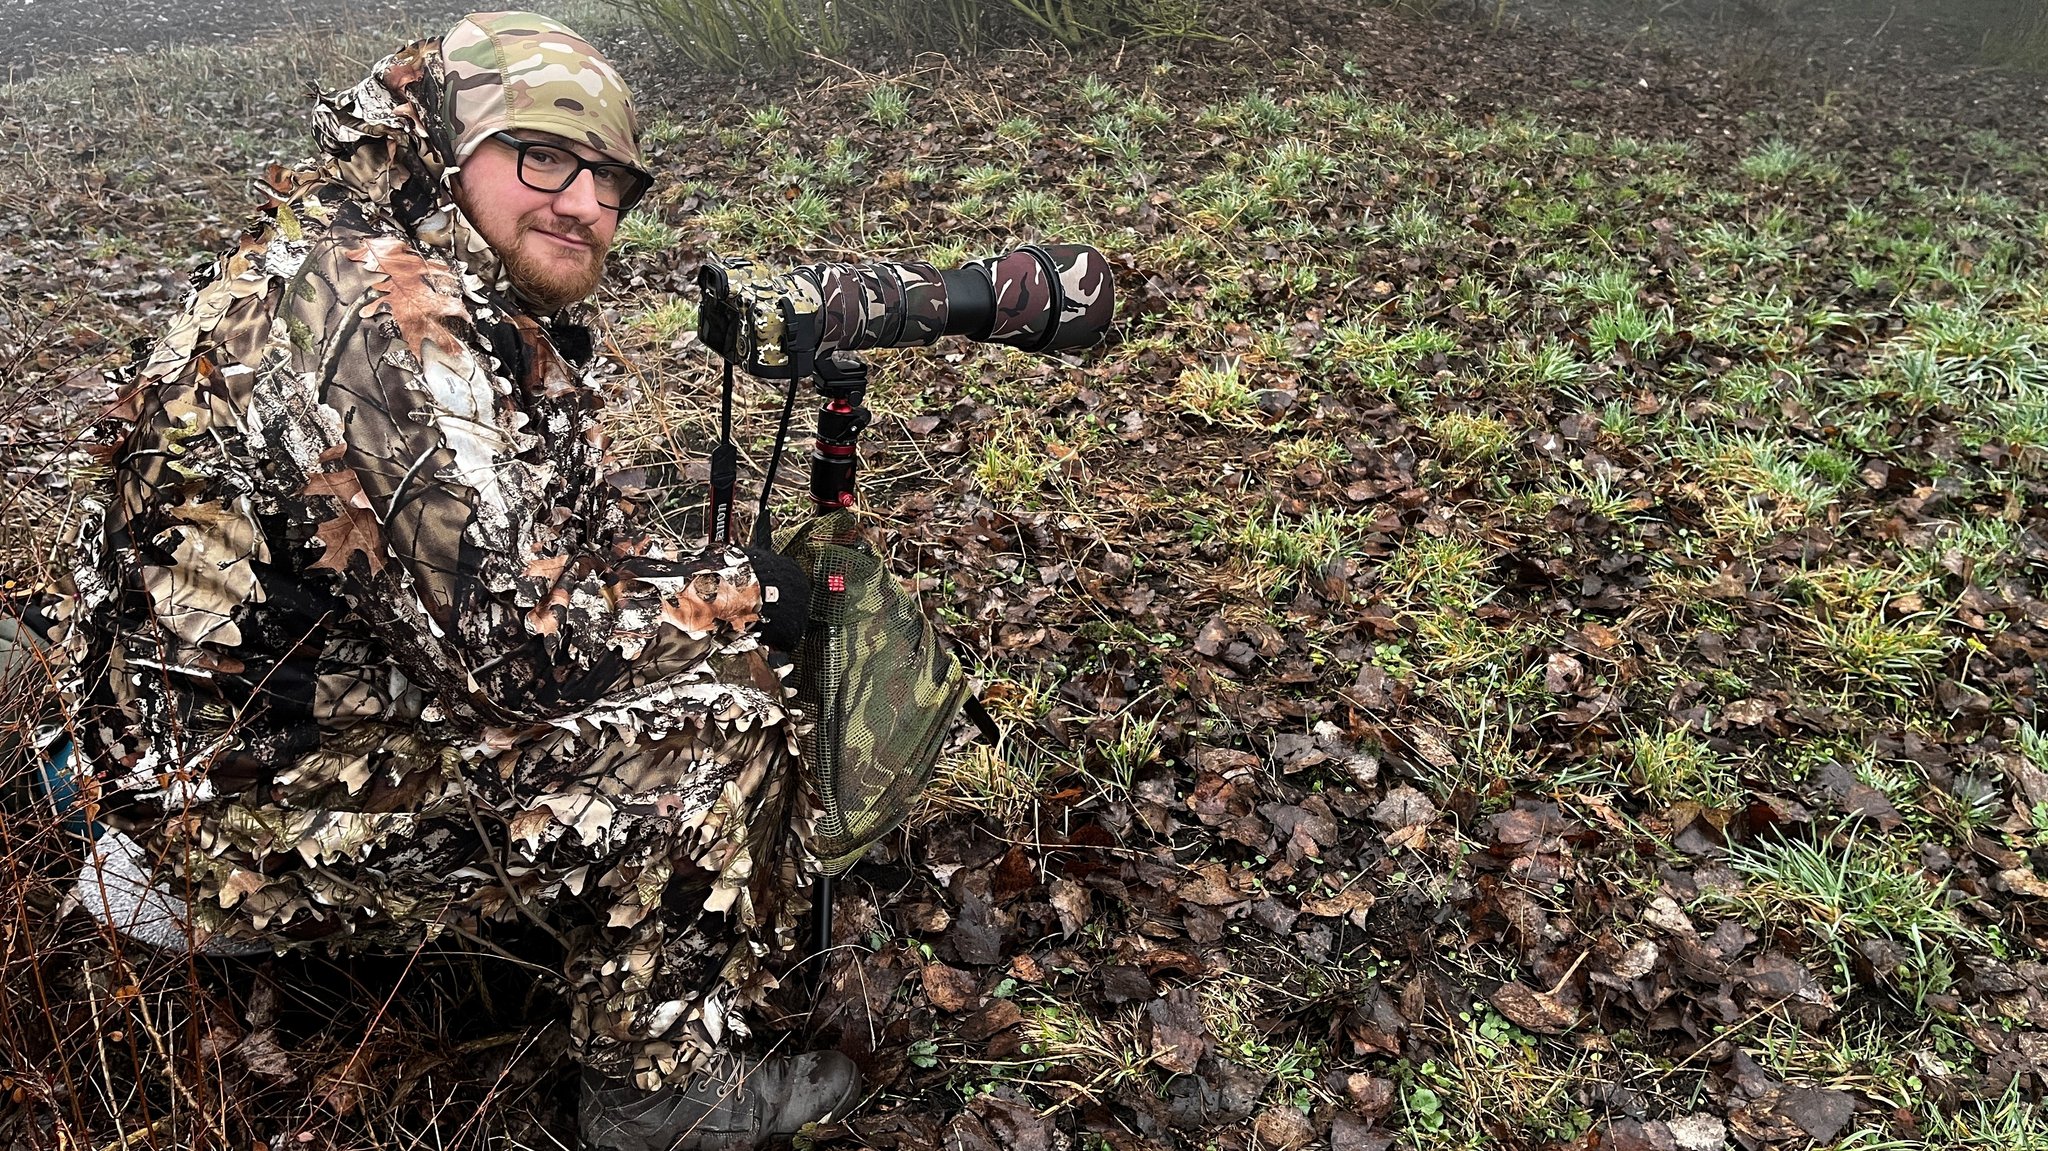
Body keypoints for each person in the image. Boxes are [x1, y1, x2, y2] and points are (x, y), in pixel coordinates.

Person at [37, 11, 859, 1149]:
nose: (584, 202)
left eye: (611, 178)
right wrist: (743, 601)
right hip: (229, 815)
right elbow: (521, 660)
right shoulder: (375, 311)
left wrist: (705, 591)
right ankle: (658, 1093)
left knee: (704, 631)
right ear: (442, 142)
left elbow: (525, 556)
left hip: (287, 713)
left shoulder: (399, 271)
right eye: (544, 156)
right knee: (715, 724)